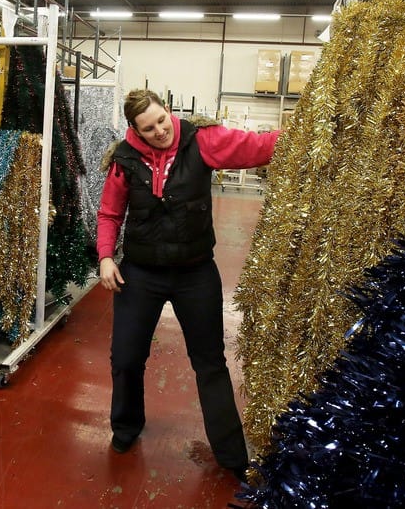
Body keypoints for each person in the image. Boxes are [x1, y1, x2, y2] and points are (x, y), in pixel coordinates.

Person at [96, 88, 280, 482]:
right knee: (126, 358)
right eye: (149, 128)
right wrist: (106, 256)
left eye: (162, 120)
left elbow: (259, 148)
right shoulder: (124, 161)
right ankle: (126, 427)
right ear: (136, 131)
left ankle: (231, 454)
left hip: (195, 273)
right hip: (141, 274)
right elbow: (110, 213)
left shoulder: (203, 141)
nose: (160, 131)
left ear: (168, 111)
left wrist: (308, 132)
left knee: (210, 362)